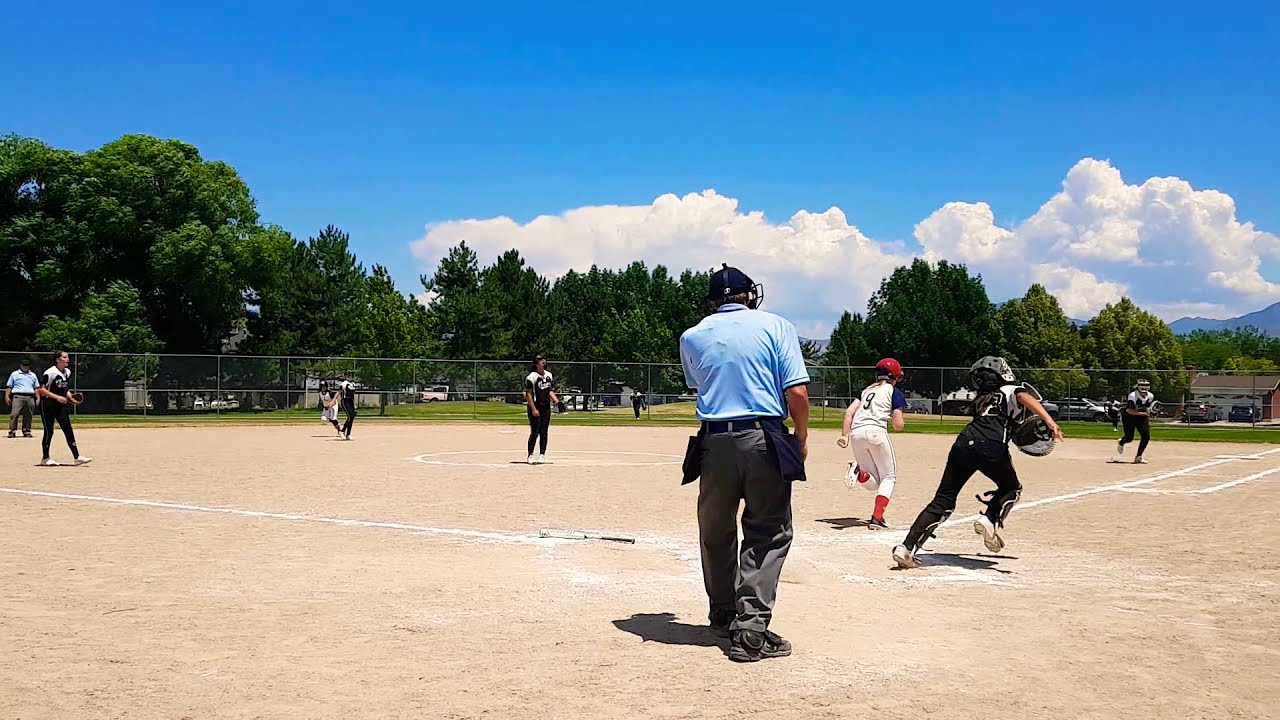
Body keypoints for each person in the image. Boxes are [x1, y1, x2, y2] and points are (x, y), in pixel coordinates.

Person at [679, 263, 810, 663]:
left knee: (715, 529)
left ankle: (723, 613)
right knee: (767, 529)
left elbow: (700, 383)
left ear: (712, 301)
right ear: (750, 295)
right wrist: (801, 437)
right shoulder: (776, 326)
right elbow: (797, 393)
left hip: (714, 441)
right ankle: (751, 630)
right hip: (763, 437)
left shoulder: (692, 335)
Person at [891, 356, 1060, 569]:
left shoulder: (983, 398)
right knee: (1011, 488)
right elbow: (1024, 396)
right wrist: (1048, 420)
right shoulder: (1010, 390)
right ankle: (990, 519)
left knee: (943, 500)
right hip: (991, 445)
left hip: (963, 443)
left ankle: (906, 548)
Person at [836, 358, 907, 529]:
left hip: (857, 434)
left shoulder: (866, 391)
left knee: (873, 483)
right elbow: (898, 425)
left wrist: (845, 435)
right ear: (895, 376)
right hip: (876, 432)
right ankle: (877, 518)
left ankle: (860, 473)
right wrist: (895, 417)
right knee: (888, 477)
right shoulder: (893, 391)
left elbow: (849, 412)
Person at [36, 350, 90, 466]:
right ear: (57, 359)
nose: (67, 359)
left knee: (68, 429)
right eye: (64, 357)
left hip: (60, 405)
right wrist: (57, 397)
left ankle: (77, 457)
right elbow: (41, 389)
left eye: (67, 357)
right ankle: (45, 458)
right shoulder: (50, 373)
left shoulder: (67, 372)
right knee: (49, 431)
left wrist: (70, 397)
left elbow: (64, 389)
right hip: (47, 404)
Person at [524, 355, 558, 464]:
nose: (543, 361)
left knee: (544, 431)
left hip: (545, 407)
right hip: (535, 406)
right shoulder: (531, 377)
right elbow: (528, 394)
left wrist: (556, 401)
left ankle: (542, 455)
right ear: (536, 363)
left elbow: (549, 391)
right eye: (539, 360)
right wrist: (533, 409)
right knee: (535, 432)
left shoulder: (548, 375)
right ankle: (530, 455)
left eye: (543, 359)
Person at [1115, 379, 1155, 464]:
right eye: (1142, 386)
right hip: (1129, 417)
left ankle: (1138, 457)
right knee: (1129, 438)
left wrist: (1148, 417)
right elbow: (1129, 411)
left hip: (1141, 417)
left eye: (1146, 386)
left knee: (1146, 437)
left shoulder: (1150, 396)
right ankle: (1121, 442)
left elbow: (1146, 408)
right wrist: (1143, 414)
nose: (1144, 388)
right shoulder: (1133, 395)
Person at [6, 358, 40, 438]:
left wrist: (38, 397)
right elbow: (9, 386)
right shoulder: (14, 374)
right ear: (20, 366)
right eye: (24, 365)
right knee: (15, 414)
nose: (26, 367)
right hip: (18, 396)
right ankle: (12, 431)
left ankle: (26, 431)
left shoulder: (33, 375)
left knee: (28, 414)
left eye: (27, 365)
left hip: (30, 396)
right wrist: (7, 397)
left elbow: (36, 388)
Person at [338, 372, 357, 440]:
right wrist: (333, 400)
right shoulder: (343, 384)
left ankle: (348, 434)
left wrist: (354, 404)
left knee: (352, 417)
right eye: (348, 375)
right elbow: (339, 392)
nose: (350, 377)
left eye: (351, 375)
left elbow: (353, 394)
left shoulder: (353, 384)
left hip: (351, 401)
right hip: (345, 401)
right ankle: (342, 431)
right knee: (350, 416)